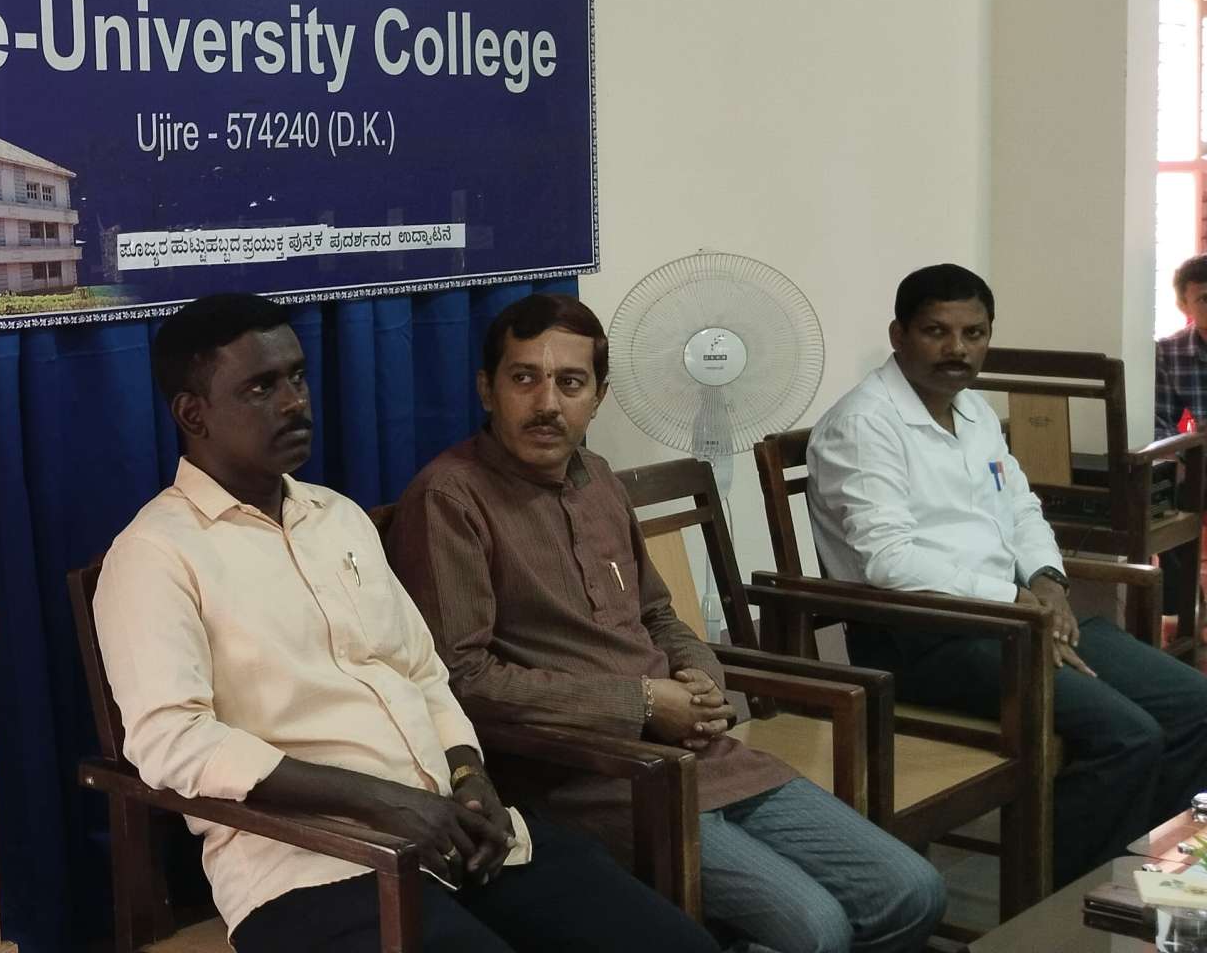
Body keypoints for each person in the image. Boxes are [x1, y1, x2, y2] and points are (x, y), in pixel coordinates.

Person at [92, 293, 717, 953]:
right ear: (193, 414)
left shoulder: (338, 518)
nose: (295, 402)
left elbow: (423, 673)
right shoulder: (157, 554)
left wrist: (469, 775)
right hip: (310, 868)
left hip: (454, 833)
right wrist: (380, 801)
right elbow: (170, 741)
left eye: (298, 377)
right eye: (260, 388)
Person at [389, 293, 943, 953]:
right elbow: (464, 678)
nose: (547, 404)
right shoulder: (450, 497)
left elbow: (656, 612)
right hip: (597, 779)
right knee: (815, 929)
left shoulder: (597, 479)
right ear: (487, 389)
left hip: (707, 757)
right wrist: (645, 702)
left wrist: (701, 677)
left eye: (571, 383)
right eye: (524, 378)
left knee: (912, 891)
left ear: (598, 397)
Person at [808, 263, 1207, 885]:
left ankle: (1140, 874)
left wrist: (1046, 580)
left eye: (974, 333)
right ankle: (1063, 903)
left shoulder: (972, 410)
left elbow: (1021, 508)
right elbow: (888, 561)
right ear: (898, 335)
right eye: (936, 331)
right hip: (924, 637)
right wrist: (1015, 599)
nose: (957, 349)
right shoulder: (864, 425)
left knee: (1194, 705)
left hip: (1015, 620)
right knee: (1126, 736)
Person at [1154, 253, 1207, 441]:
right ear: (1183, 306)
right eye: (1205, 299)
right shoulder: (1170, 352)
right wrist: (1181, 454)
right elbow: (1160, 424)